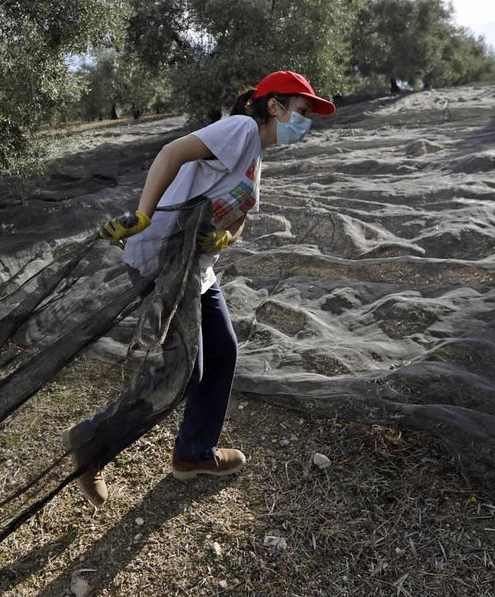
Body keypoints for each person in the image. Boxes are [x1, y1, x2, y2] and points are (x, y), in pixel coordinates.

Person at [65, 70, 336, 508]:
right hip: (163, 262)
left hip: (196, 271)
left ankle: (194, 452)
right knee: (184, 369)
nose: (307, 122)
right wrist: (144, 214)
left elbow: (238, 215)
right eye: (303, 111)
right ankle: (91, 442)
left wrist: (225, 236)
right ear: (274, 106)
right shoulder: (241, 129)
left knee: (223, 351)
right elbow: (171, 152)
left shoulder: (256, 156)